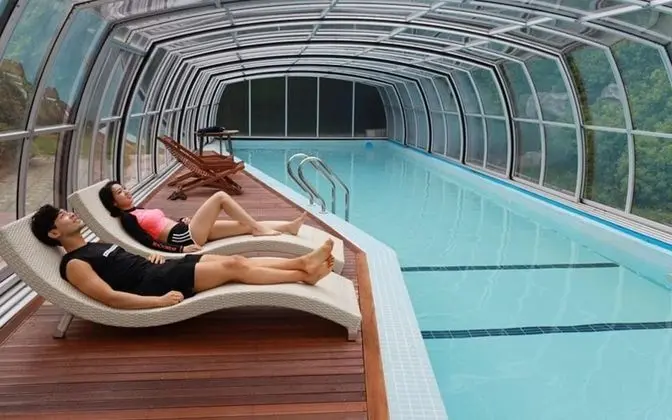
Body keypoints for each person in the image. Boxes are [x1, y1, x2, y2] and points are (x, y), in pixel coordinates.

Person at [30, 204, 335, 309]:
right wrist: (158, 302)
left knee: (239, 259)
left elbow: (122, 266)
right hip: (156, 285)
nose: (70, 214)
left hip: (160, 269)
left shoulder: (93, 246)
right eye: (62, 216)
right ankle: (302, 273)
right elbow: (110, 298)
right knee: (233, 266)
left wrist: (152, 258)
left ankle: (302, 264)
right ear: (54, 233)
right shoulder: (75, 264)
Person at [98, 180, 307, 253]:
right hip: (183, 238)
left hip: (184, 229)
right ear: (114, 202)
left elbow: (161, 224)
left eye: (124, 188)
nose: (126, 192)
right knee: (220, 196)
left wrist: (181, 220)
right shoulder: (127, 218)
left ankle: (288, 227)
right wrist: (180, 249)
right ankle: (260, 229)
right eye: (120, 192)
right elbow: (147, 242)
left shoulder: (138, 210)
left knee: (243, 225)